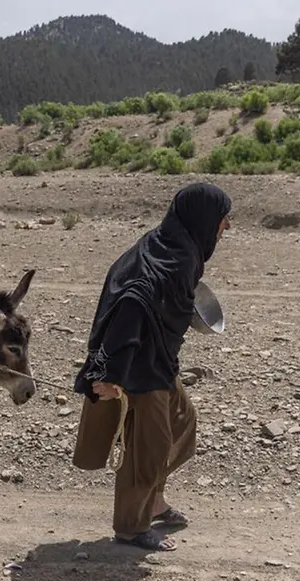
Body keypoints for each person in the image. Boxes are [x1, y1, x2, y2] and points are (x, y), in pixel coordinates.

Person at [71, 182, 232, 552]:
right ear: (204, 217)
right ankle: (131, 527)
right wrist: (112, 375)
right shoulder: (173, 258)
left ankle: (153, 500)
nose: (227, 226)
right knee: (149, 447)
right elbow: (131, 302)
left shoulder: (175, 247)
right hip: (138, 367)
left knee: (182, 422)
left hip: (158, 360)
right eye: (223, 218)